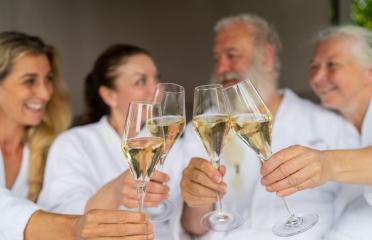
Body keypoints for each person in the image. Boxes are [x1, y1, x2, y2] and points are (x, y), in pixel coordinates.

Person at [180, 14, 359, 239]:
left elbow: (356, 210)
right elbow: (194, 227)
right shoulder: (202, 128)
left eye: (232, 55)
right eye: (217, 58)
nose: (222, 67)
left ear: (267, 56)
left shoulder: (329, 125)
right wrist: (197, 198)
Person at [0, 31, 154, 240]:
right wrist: (73, 227)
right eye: (29, 81)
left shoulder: (51, 145)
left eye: (48, 79)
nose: (45, 93)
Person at [38, 44, 187, 239]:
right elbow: (63, 215)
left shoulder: (170, 141)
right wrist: (115, 192)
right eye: (141, 81)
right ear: (109, 95)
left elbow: (184, 221)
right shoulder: (73, 143)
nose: (156, 89)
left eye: (156, 78)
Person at [260, 25, 372, 240]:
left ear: (369, 73)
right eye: (314, 66)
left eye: (332, 65)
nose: (318, 78)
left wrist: (328, 164)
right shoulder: (329, 123)